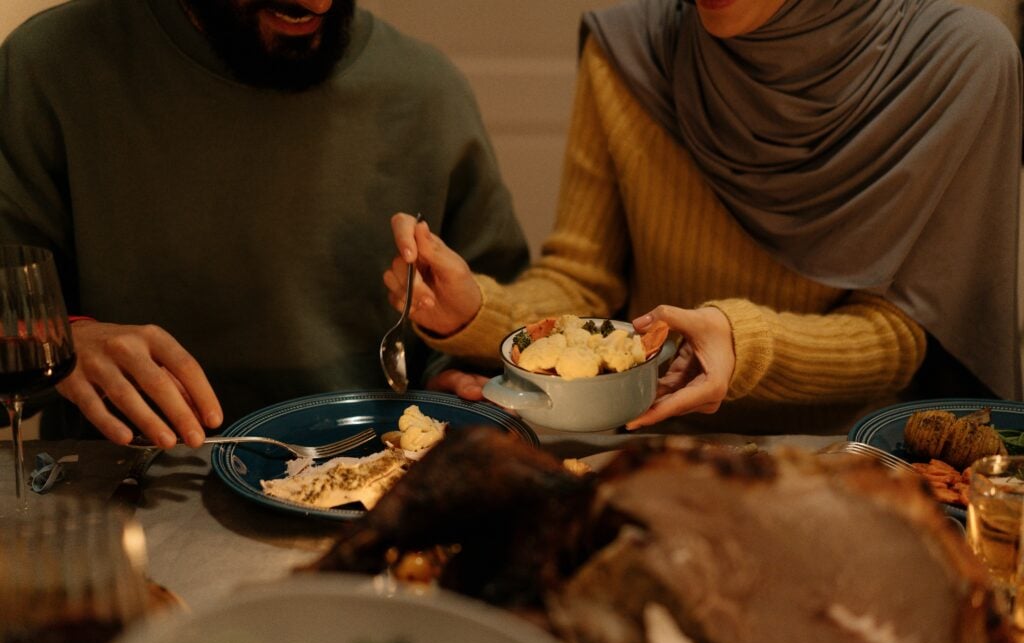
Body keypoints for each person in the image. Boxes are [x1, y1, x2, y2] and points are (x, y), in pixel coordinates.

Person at [385, 0, 1022, 434]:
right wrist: (476, 313)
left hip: (841, 462)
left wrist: (744, 344)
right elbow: (585, 284)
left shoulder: (956, 65)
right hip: (642, 453)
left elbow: (906, 337)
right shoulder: (634, 48)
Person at [0, 0, 529, 448]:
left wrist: (455, 367)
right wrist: (67, 340)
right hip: (126, 492)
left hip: (372, 485)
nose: (317, 3)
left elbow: (499, 316)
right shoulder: (52, 65)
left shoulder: (426, 90)